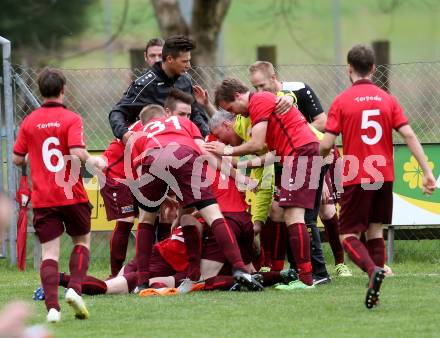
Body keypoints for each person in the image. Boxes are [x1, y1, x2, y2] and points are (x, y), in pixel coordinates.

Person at [319, 44, 436, 309]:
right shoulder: (387, 99)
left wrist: (313, 154)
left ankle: (373, 270)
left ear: (349, 68)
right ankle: (376, 286)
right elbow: (408, 134)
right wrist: (427, 172)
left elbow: (326, 143)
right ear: (373, 69)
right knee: (375, 232)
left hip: (357, 176)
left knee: (346, 236)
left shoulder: (342, 101)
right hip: (384, 175)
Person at [128, 104, 263, 292]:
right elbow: (205, 152)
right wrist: (238, 177)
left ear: (144, 122)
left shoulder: (140, 133)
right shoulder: (184, 123)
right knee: (214, 215)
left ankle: (142, 281)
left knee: (146, 220)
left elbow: (140, 173)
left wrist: (158, 197)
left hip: (153, 157)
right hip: (185, 154)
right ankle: (240, 269)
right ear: (165, 114)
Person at [208, 78, 325, 289]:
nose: (235, 114)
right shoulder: (258, 106)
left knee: (294, 215)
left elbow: (257, 143)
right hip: (298, 154)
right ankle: (304, 276)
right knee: (288, 214)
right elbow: (262, 150)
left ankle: (307, 280)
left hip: (301, 153)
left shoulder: (258, 100)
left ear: (237, 95)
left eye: (231, 108)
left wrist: (226, 151)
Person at [12, 67, 106, 323]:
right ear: (63, 90)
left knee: (49, 254)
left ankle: (52, 308)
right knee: (81, 242)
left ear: (40, 91)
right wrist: (94, 160)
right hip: (72, 194)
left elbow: (16, 158)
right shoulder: (71, 119)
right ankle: (75, 289)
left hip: (44, 198)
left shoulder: (29, 121)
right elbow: (76, 152)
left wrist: (34, 152)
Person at [248, 61, 351, 278]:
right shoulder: (260, 102)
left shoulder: (299, 89)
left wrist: (298, 130)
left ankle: (338, 264)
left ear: (274, 77)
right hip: (284, 161)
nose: (259, 91)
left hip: (313, 155)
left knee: (326, 210)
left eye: (262, 85)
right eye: (254, 87)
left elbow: (323, 122)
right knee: (279, 211)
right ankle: (285, 269)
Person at [109, 35, 211, 141]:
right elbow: (117, 112)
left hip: (184, 141)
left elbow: (195, 113)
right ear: (170, 59)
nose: (189, 65)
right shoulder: (145, 84)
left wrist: (205, 135)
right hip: (153, 146)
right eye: (184, 61)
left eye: (189, 61)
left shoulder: (185, 80)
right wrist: (124, 134)